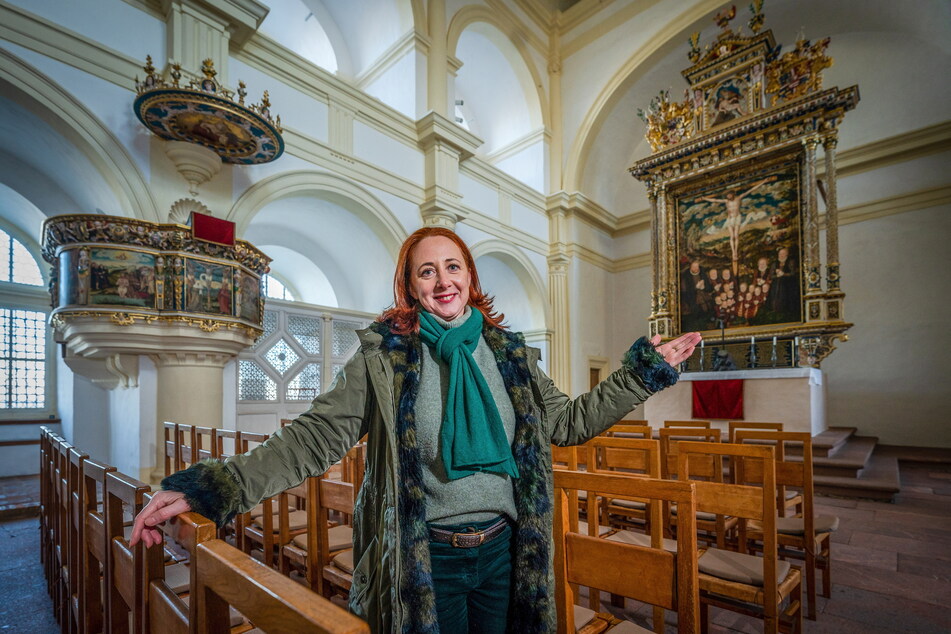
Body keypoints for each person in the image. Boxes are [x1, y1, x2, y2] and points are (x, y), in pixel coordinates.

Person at [131, 226, 701, 633]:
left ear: (470, 277)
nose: (443, 279)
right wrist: (210, 487)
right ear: (411, 286)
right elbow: (313, 437)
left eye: (453, 266)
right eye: (427, 270)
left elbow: (570, 422)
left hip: (507, 551)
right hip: (428, 558)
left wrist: (642, 376)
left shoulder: (510, 356)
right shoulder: (385, 357)